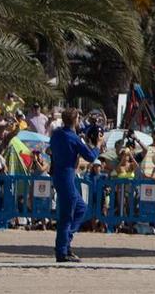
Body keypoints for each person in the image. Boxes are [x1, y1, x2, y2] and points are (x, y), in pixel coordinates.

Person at [50, 108, 97, 263]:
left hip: (58, 174)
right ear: (75, 120)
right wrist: (98, 145)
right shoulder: (73, 138)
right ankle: (62, 251)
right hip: (67, 176)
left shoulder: (56, 134)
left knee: (80, 207)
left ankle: (65, 243)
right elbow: (90, 156)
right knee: (66, 216)